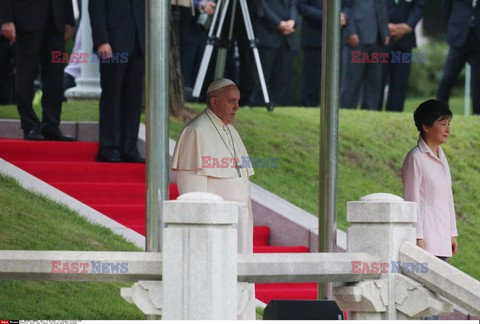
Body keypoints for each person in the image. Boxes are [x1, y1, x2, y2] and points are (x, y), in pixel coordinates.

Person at [171, 78, 255, 319]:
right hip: (216, 227)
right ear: (214, 101)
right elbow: (191, 194)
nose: (236, 107)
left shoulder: (232, 131)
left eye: (238, 101)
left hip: (240, 221)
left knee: (240, 277)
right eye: (232, 101)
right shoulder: (195, 131)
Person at [0, 0, 76, 141]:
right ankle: (30, 125)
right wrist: (6, 19)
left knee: (56, 73)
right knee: (26, 73)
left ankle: (51, 125)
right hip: (26, 19)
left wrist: (69, 19)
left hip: (56, 21)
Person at [402, 99, 458, 262]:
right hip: (425, 243)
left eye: (448, 123)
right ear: (426, 127)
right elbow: (411, 201)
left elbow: (448, 198)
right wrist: (417, 237)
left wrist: (452, 233)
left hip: (443, 241)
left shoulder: (441, 156)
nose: (448, 129)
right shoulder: (416, 158)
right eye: (442, 124)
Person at [89, 0, 145, 163]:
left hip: (138, 43)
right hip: (112, 44)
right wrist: (101, 41)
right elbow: (96, 8)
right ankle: (109, 148)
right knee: (112, 96)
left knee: (134, 98)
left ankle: (129, 148)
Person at [296, 0, 348, 107]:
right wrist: (328, 17)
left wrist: (344, 16)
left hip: (336, 40)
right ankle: (307, 109)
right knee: (311, 81)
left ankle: (330, 108)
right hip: (314, 37)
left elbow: (348, 5)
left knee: (333, 81)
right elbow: (301, 6)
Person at [340, 0, 389, 110]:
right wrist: (351, 31)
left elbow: (382, 8)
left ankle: (370, 112)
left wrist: (385, 32)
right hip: (357, 39)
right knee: (351, 82)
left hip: (378, 39)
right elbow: (345, 8)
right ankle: (346, 112)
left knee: (374, 82)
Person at [437, 0, 480, 115]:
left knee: (478, 83)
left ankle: (477, 116)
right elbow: (445, 8)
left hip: (477, 35)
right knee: (447, 78)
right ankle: (439, 113)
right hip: (458, 35)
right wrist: (452, 27)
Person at [380, 0, 425, 112]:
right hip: (381, 41)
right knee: (377, 81)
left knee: (399, 83)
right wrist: (383, 26)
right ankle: (373, 115)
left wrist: (408, 26)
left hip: (405, 41)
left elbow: (420, 6)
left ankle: (394, 117)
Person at [253, 0, 297, 106]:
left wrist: (293, 20)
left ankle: (281, 110)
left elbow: (293, 4)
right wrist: (278, 23)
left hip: (286, 39)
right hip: (266, 36)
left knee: (283, 81)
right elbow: (260, 5)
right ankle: (259, 108)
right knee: (261, 80)